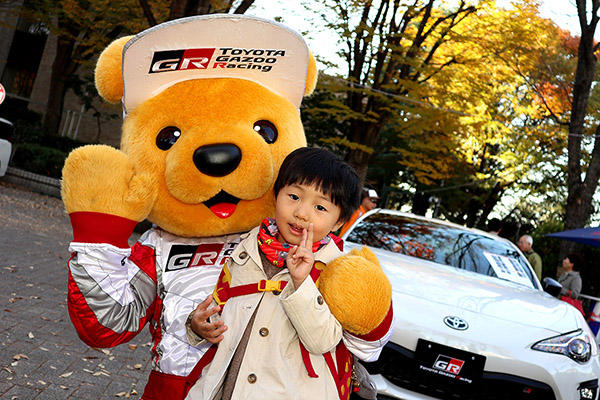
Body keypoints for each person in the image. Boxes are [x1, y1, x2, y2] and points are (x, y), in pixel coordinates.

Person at [185, 148, 376, 399]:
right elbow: (223, 310)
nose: (301, 212)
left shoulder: (337, 272)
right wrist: (198, 326)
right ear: (277, 195)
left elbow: (323, 341)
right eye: (294, 196)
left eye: (320, 207)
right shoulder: (246, 249)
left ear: (338, 222)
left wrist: (301, 283)